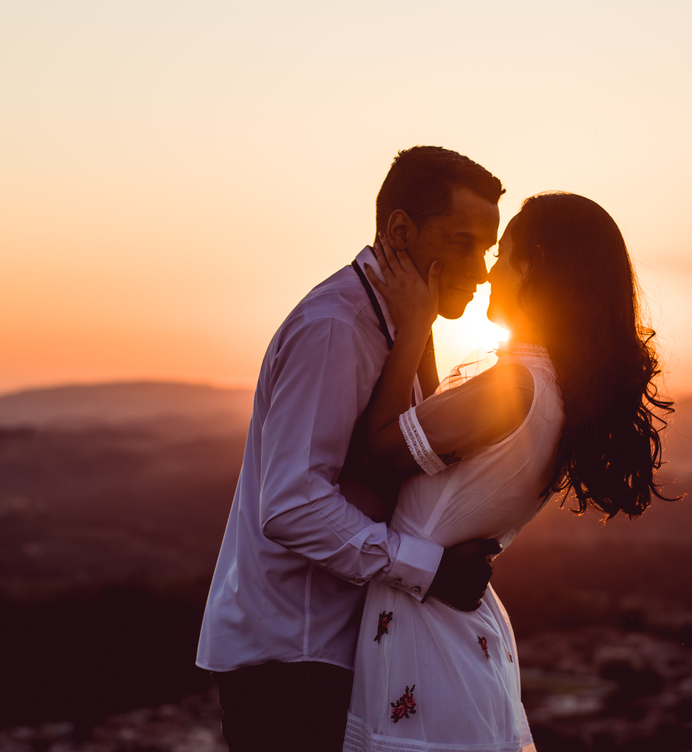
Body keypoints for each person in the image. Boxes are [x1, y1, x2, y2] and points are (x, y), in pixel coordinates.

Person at [196, 146, 510, 752]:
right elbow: (291, 505)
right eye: (464, 241)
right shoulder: (337, 329)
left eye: (488, 250)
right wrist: (428, 567)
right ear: (400, 230)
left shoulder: (397, 326)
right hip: (292, 656)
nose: (483, 269)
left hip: (329, 650)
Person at [340, 192, 674, 752]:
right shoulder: (559, 393)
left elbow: (376, 450)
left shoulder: (513, 387)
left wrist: (415, 321)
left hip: (430, 646)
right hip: (450, 636)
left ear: (534, 264)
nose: (490, 270)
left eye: (506, 253)